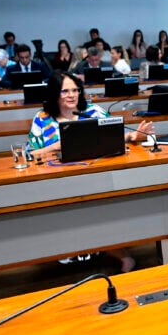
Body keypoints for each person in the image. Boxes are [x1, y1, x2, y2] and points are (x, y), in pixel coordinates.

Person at [27, 71, 153, 273]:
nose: (71, 95)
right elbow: (30, 154)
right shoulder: (42, 119)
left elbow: (113, 136)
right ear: (54, 94)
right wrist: (56, 146)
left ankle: (120, 254)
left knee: (100, 211)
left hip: (97, 178)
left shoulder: (93, 112)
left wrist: (132, 136)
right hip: (58, 183)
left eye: (75, 90)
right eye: (65, 91)